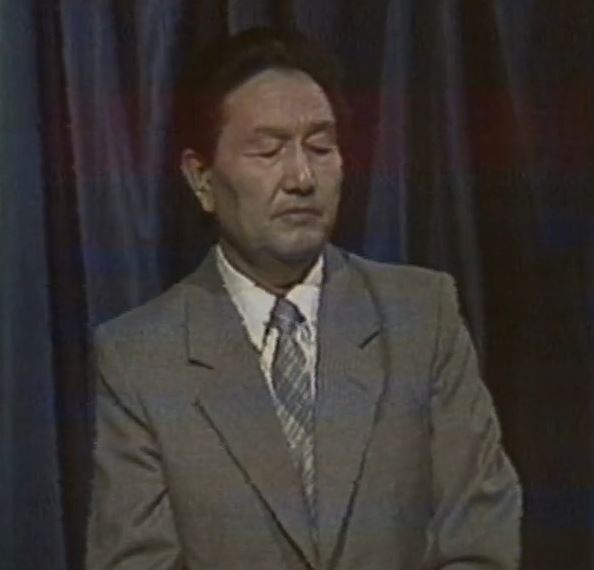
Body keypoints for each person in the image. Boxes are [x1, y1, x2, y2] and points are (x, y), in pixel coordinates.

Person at [85, 27, 521, 570]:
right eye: (268, 150)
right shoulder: (140, 358)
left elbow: (479, 539)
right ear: (201, 178)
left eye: (320, 147)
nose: (301, 177)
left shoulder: (420, 316)